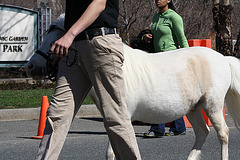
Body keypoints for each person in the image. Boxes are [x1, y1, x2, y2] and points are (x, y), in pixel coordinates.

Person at [35, 0, 141, 160]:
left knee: (115, 114)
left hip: (101, 43)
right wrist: (64, 44)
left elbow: (99, 3)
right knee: (57, 115)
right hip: (72, 49)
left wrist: (68, 36)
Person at [142, 0, 189, 138]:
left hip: (171, 59)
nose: (157, 0)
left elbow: (182, 39)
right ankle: (179, 127)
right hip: (158, 59)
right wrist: (146, 37)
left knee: (159, 93)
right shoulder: (156, 17)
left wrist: (188, 62)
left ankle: (157, 128)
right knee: (170, 94)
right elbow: (157, 37)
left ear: (168, 0)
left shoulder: (174, 17)